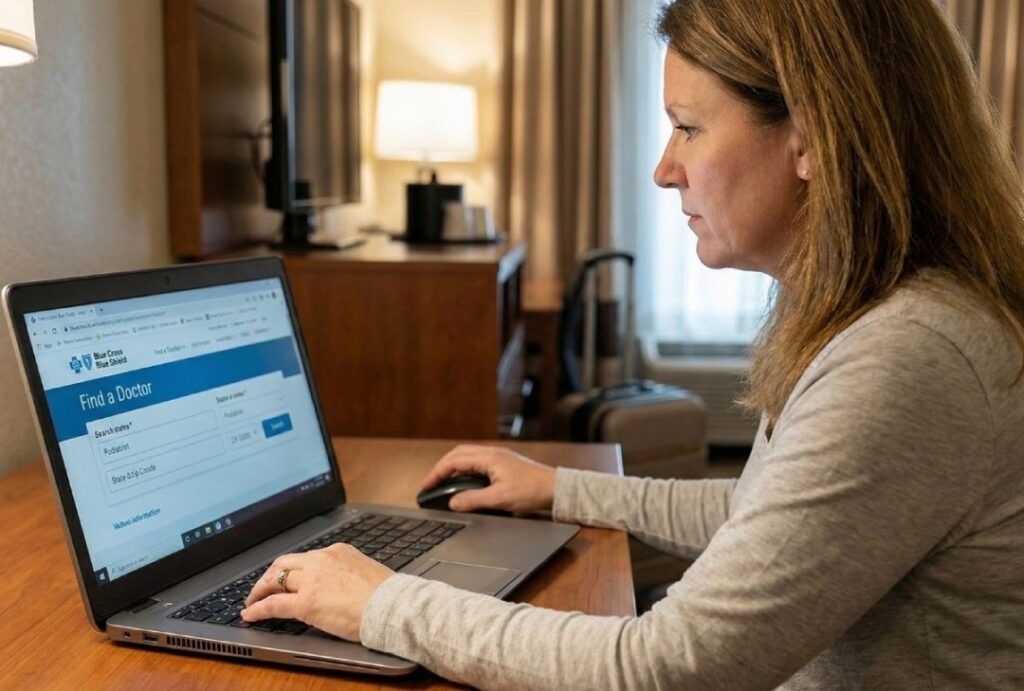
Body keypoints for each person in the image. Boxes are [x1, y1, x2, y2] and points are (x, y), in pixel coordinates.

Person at [242, 0, 1024, 687]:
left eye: (688, 127)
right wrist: (558, 488)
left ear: (812, 135)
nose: (663, 168)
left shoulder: (910, 353)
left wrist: (380, 601)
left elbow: (665, 667)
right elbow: (769, 516)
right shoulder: (881, 312)